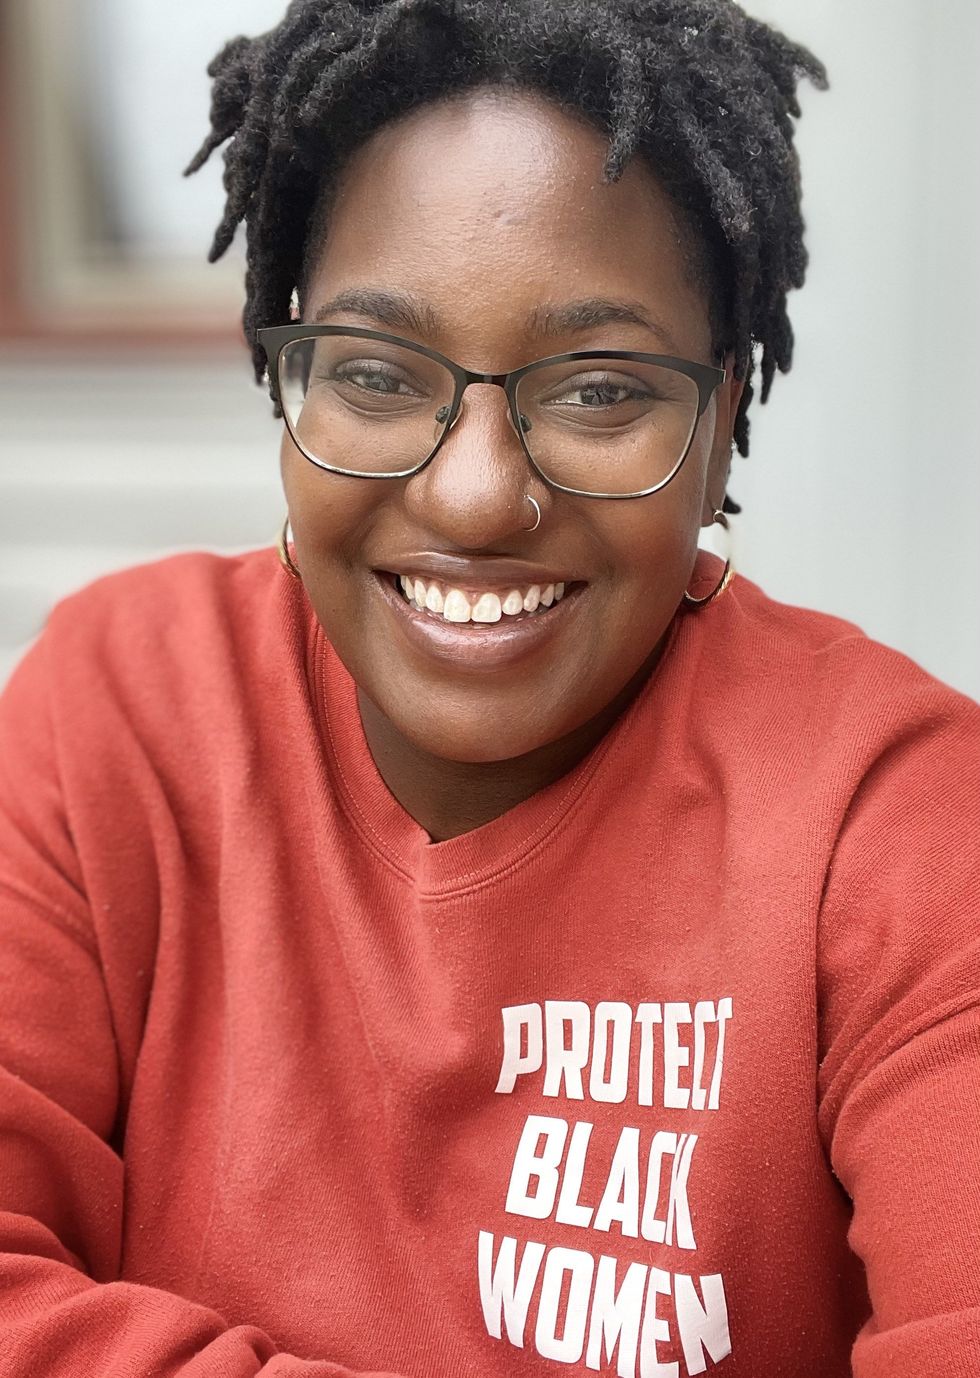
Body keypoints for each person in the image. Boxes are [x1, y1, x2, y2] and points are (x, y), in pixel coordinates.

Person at [0, 0, 977, 1374]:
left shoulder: (898, 822)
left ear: (721, 422)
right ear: (289, 383)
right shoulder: (117, 711)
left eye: (598, 391)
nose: (472, 495)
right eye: (376, 374)